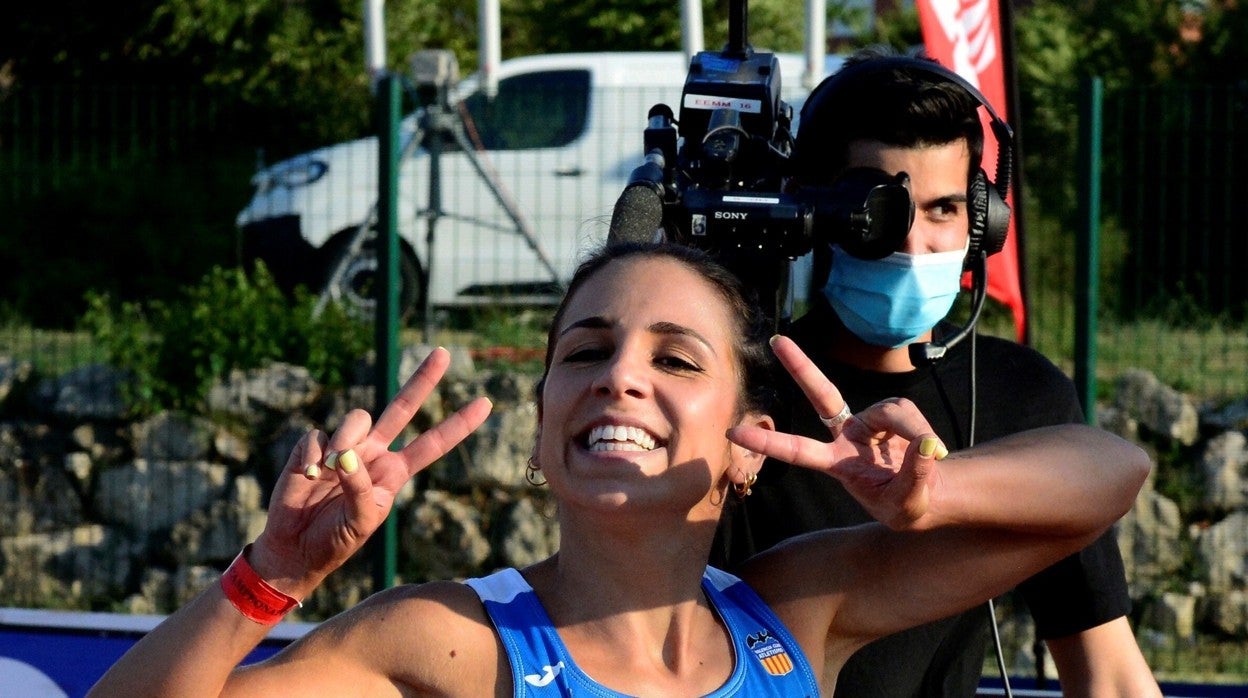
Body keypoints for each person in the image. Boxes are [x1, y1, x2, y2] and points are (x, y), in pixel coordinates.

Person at [88, 242, 1149, 698]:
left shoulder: (800, 609)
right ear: (546, 426)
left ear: (747, 442)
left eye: (675, 357)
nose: (618, 379)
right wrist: (265, 574)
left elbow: (1109, 467)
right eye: (585, 352)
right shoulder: (448, 638)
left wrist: (935, 493)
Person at [711, 48, 1162, 697]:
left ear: (985, 223)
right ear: (814, 212)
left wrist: (940, 495)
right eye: (879, 210)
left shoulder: (1023, 394)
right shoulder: (738, 392)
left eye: (944, 210)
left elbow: (1109, 671)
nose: (913, 244)